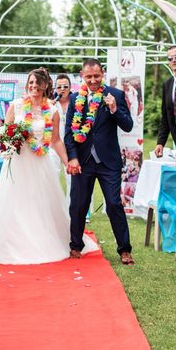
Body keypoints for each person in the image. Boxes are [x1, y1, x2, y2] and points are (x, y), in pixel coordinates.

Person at [0, 67, 98, 264]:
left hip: (39, 163)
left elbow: (57, 140)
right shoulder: (16, 106)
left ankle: (41, 240)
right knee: (15, 202)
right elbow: (5, 131)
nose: (34, 86)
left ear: (45, 86)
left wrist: (69, 162)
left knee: (38, 203)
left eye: (37, 83)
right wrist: (11, 138)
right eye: (31, 83)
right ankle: (12, 243)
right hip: (17, 163)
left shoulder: (52, 109)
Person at [64, 58, 135, 265]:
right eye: (89, 76)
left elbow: (128, 125)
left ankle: (124, 249)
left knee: (114, 204)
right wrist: (73, 157)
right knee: (78, 205)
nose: (93, 80)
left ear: (102, 73)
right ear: (82, 75)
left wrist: (114, 109)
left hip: (108, 161)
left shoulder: (116, 95)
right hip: (83, 161)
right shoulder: (75, 98)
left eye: (96, 76)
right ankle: (76, 246)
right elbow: (69, 132)